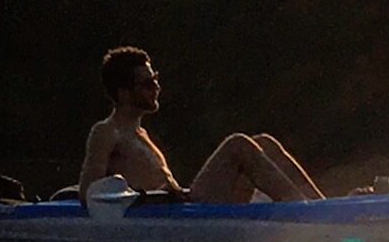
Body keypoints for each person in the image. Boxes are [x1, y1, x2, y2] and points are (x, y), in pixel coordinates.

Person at [79, 46, 324, 205]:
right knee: (237, 144)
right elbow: (88, 193)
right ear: (123, 93)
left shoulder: (140, 133)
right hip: (177, 212)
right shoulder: (106, 132)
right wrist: (149, 198)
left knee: (263, 143)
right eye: (147, 83)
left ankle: (320, 207)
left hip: (183, 204)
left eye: (155, 80)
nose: (156, 88)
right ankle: (303, 213)